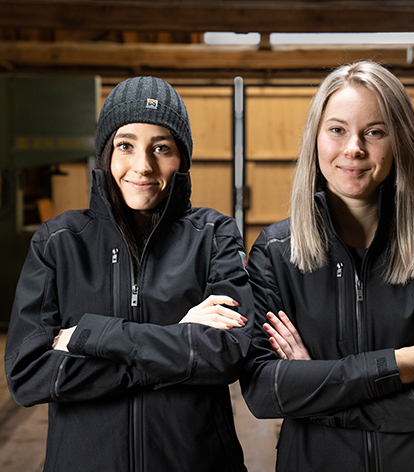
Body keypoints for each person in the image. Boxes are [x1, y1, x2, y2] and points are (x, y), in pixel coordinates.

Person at [240, 61, 414, 472]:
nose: (354, 147)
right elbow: (266, 392)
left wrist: (320, 392)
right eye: (337, 129)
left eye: (374, 132)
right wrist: (396, 366)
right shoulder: (275, 253)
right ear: (316, 139)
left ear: (399, 140)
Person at [5, 76, 253, 472]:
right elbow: (29, 375)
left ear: (181, 159)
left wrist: (95, 335)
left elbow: (227, 355)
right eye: (126, 145)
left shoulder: (213, 235)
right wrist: (177, 340)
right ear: (106, 153)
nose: (143, 166)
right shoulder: (58, 242)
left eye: (161, 148)